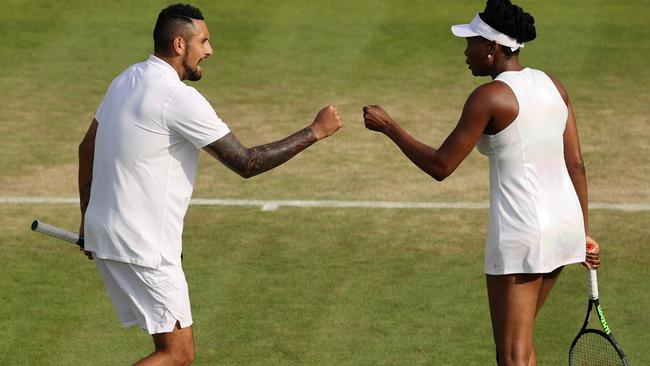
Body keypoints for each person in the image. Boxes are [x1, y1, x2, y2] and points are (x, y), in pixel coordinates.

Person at [77, 3, 342, 365]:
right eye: (204, 41)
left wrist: (87, 218)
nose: (210, 50)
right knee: (177, 354)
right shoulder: (178, 98)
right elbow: (246, 162)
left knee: (170, 349)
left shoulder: (125, 79)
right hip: (143, 244)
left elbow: (86, 146)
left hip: (109, 232)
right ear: (179, 45)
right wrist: (315, 131)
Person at [362, 0, 599, 365]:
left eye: (471, 42)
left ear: (491, 48)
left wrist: (389, 127)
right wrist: (583, 232)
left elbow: (441, 165)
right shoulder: (554, 85)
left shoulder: (488, 97)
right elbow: (577, 164)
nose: (466, 51)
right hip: (564, 227)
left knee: (512, 353)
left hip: (523, 233)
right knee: (517, 346)